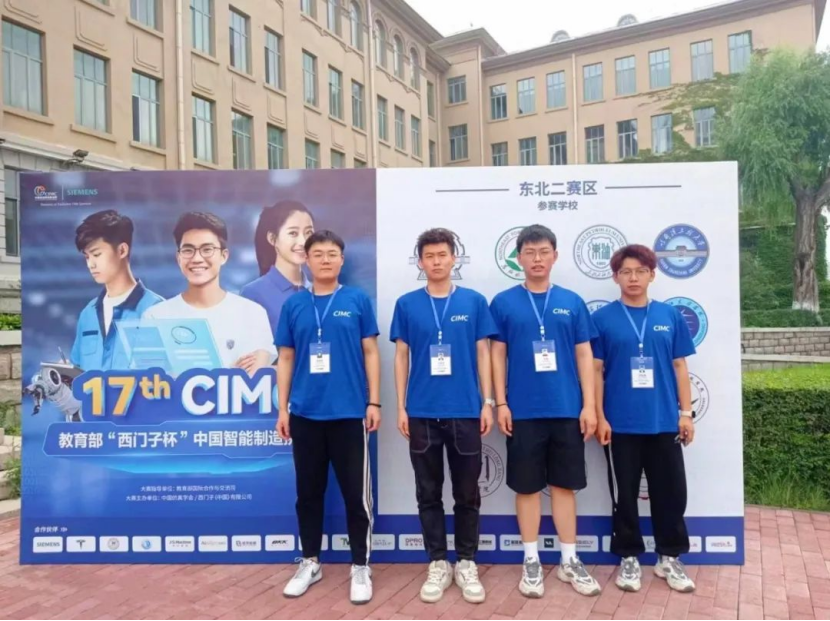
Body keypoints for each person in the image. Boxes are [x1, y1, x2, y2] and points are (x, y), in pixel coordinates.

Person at [490, 224, 601, 599]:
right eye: (529, 252)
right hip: (522, 412)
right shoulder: (503, 302)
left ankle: (569, 560)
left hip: (567, 409)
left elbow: (584, 355)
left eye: (543, 252)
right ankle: (531, 559)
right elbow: (497, 354)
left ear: (555, 256)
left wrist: (589, 406)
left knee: (565, 486)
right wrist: (500, 402)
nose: (537, 259)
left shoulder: (572, 301)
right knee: (526, 487)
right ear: (518, 258)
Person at [391, 228, 497, 605]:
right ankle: (437, 562)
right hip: (421, 413)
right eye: (429, 256)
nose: (436, 261)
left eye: (442, 255)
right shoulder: (407, 304)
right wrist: (401, 406)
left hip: (465, 411)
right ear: (420, 262)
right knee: (428, 493)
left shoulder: (474, 301)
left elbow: (483, 353)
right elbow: (401, 356)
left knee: (467, 493)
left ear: (454, 258)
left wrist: (488, 401)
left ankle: (466, 562)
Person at [276, 230, 381, 606]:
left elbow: (371, 352)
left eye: (332, 253)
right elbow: (285, 358)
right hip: (305, 413)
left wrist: (374, 402)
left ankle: (360, 566)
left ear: (341, 260)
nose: (325, 259)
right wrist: (282, 408)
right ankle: (310, 562)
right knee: (308, 494)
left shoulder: (356, 300)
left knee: (356, 496)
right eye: (317, 253)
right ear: (306, 259)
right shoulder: (294, 305)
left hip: (349, 413)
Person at [591, 244, 696, 594]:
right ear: (615, 277)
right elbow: (595, 371)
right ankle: (629, 557)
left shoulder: (670, 316)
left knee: (671, 493)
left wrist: (686, 413)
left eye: (640, 271)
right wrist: (600, 416)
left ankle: (670, 556)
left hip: (664, 421)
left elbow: (680, 366)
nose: (633, 278)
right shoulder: (602, 319)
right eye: (626, 272)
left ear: (652, 274)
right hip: (620, 424)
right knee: (625, 495)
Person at [142, 212, 275, 371]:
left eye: (207, 249)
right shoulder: (156, 317)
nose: (197, 259)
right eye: (188, 250)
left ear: (224, 256)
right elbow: (151, 378)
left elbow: (253, 376)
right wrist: (227, 374)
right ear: (178, 258)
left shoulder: (252, 313)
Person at [71, 210, 163, 371]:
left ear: (122, 251)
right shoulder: (88, 313)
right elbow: (77, 370)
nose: (90, 264)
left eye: (96, 254)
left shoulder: (156, 310)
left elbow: (167, 375)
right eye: (87, 257)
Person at [241, 201, 314, 334]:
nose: (303, 242)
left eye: (308, 233)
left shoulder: (322, 293)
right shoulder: (253, 294)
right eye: (293, 233)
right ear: (272, 238)